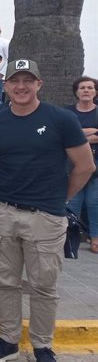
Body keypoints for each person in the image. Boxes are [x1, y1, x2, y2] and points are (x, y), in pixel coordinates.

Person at [0, 60, 95, 362]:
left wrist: (60, 199)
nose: (21, 86)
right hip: (4, 212)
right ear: (6, 86)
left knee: (43, 286)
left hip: (46, 216)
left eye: (28, 80)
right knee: (6, 282)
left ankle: (43, 346)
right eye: (15, 80)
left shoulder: (62, 119)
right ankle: (8, 341)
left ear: (39, 84)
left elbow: (84, 166)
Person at [66, 76, 98, 252]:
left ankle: (95, 237)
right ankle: (72, 236)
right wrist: (91, 133)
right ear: (76, 92)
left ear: (95, 92)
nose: (86, 90)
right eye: (82, 88)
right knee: (73, 201)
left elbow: (74, 134)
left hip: (96, 163)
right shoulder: (68, 113)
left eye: (90, 88)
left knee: (95, 202)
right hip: (72, 164)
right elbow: (67, 133)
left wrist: (78, 134)